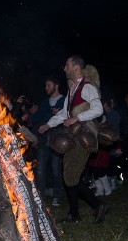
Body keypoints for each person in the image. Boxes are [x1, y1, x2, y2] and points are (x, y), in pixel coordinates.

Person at [38, 55, 109, 224]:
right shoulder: (72, 90)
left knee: (70, 176)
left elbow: (98, 109)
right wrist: (48, 125)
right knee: (70, 174)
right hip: (73, 135)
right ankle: (75, 213)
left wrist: (77, 118)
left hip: (83, 135)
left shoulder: (87, 87)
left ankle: (97, 205)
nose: (64, 68)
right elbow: (64, 114)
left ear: (76, 67)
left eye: (67, 65)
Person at [30, 76, 65, 206]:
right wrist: (30, 113)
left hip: (57, 140)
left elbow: (68, 116)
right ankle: (41, 197)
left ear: (56, 85)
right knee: (40, 169)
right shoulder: (45, 102)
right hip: (43, 140)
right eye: (45, 86)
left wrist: (60, 112)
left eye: (48, 85)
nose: (46, 88)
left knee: (56, 169)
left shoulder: (64, 101)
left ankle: (56, 196)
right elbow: (36, 119)